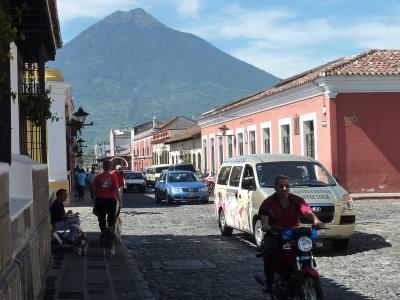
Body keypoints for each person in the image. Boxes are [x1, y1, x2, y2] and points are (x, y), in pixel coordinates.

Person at [259, 175, 322, 291]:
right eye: (281, 186)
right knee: (270, 250)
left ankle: (305, 269)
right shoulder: (268, 202)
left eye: (287, 186)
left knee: (308, 246)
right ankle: (269, 280)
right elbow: (264, 221)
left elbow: (307, 212)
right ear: (275, 187)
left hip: (294, 233)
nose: (284, 188)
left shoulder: (297, 200)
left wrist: (316, 220)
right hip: (276, 233)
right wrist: (266, 226)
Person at [92, 160, 121, 232]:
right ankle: (110, 234)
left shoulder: (98, 177)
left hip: (100, 200)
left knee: (101, 219)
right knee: (111, 219)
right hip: (111, 201)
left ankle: (104, 233)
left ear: (103, 167)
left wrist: (94, 200)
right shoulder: (113, 177)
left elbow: (93, 191)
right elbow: (117, 190)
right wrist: (120, 201)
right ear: (110, 167)